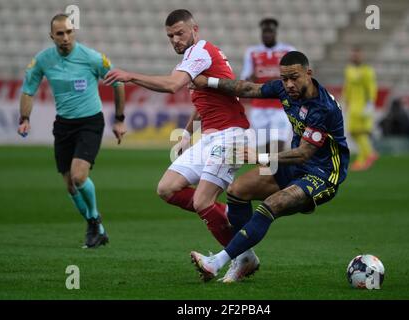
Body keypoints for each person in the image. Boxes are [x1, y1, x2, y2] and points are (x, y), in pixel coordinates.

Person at [103, 9, 260, 281]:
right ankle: (228, 220)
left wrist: (130, 75)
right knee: (166, 188)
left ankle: (241, 257)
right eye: (170, 36)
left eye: (180, 33)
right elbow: (204, 101)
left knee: (201, 201)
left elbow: (172, 86)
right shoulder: (195, 58)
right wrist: (187, 134)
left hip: (231, 135)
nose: (175, 39)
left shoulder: (199, 52)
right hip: (211, 136)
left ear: (194, 30)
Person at [189, 51, 350, 282]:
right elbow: (247, 89)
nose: (289, 84)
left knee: (271, 204)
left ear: (309, 74)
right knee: (237, 190)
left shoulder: (323, 108)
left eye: (294, 77)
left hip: (322, 173)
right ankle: (243, 258)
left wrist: (261, 157)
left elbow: (304, 153)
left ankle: (217, 262)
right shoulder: (284, 89)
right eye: (284, 78)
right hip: (294, 166)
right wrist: (210, 82)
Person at [18, 14, 127, 248]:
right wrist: (25, 118)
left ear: (74, 32)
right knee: (69, 184)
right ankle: (97, 229)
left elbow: (118, 83)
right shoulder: (43, 60)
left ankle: (94, 219)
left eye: (69, 32)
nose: (65, 38)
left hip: (90, 122)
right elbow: (28, 90)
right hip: (64, 125)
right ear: (52, 36)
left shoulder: (92, 58)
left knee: (78, 176)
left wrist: (119, 119)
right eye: (60, 34)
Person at [240, 18, 295, 153]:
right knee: (265, 150)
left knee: (278, 148)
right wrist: (250, 78)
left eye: (270, 31)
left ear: (275, 32)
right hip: (259, 107)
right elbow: (245, 77)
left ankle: (277, 173)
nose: (267, 35)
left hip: (281, 107)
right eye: (264, 31)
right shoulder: (252, 52)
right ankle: (266, 173)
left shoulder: (288, 51)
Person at [342, 46, 378, 171]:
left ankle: (368, 154)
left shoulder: (367, 70)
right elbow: (347, 87)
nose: (355, 56)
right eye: (353, 54)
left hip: (363, 106)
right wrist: (345, 101)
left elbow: (371, 87)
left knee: (360, 132)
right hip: (353, 106)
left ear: (361, 56)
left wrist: (370, 103)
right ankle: (364, 159)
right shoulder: (349, 70)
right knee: (354, 132)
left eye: (357, 54)